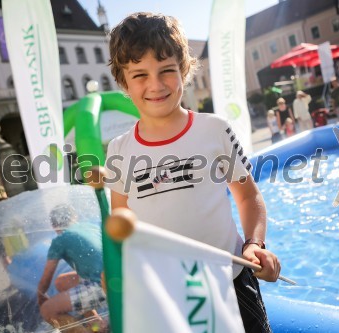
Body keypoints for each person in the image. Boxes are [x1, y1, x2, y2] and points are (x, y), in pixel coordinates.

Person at [105, 12, 280, 332]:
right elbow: (122, 227)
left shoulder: (214, 130)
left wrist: (255, 245)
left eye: (166, 70)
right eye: (140, 74)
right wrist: (117, 268)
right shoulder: (119, 150)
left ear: (184, 69)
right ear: (123, 81)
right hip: (165, 297)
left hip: (232, 282)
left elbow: (248, 196)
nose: (155, 85)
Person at [38, 204, 107, 332]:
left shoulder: (60, 240)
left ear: (54, 226)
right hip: (116, 277)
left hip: (101, 285)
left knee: (47, 310)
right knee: (61, 282)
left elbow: (46, 278)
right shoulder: (90, 227)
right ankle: (97, 326)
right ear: (75, 217)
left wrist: (40, 295)